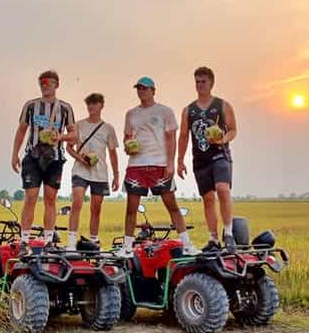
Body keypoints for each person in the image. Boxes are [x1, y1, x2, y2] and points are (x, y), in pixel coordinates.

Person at [116, 76, 198, 258]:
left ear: (153, 91)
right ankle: (127, 248)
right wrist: (128, 146)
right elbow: (127, 138)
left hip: (159, 164)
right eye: (138, 88)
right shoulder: (131, 114)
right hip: (136, 165)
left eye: (144, 88)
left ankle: (187, 244)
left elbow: (171, 138)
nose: (141, 91)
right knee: (131, 209)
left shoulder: (165, 112)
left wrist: (170, 163)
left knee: (172, 206)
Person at [11, 70, 77, 255]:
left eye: (48, 83)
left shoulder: (65, 108)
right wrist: (15, 154)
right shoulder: (31, 106)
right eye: (42, 83)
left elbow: (74, 134)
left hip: (54, 158)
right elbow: (21, 130)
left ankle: (49, 241)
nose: (45, 86)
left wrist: (60, 137)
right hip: (33, 156)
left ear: (57, 85)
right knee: (30, 197)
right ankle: (24, 241)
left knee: (50, 199)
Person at [177, 66, 238, 253]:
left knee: (223, 189)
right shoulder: (189, 110)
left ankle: (228, 233)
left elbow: (233, 130)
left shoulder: (222, 105)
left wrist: (222, 139)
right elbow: (183, 136)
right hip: (200, 159)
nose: (200, 85)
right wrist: (180, 160)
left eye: (203, 81)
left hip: (220, 154)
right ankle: (213, 239)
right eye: (197, 81)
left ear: (211, 83)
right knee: (208, 199)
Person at [65, 93, 120, 251]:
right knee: (77, 202)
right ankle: (71, 242)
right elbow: (69, 147)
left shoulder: (108, 128)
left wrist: (116, 175)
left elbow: (113, 153)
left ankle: (94, 241)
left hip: (100, 172)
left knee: (96, 208)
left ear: (101, 105)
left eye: (94, 104)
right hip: (80, 170)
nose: (91, 107)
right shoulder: (79, 125)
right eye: (89, 104)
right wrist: (80, 158)